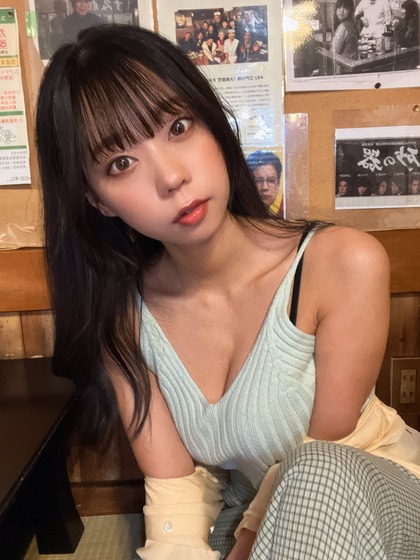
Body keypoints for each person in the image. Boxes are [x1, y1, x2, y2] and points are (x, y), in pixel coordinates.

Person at [36, 24, 420, 560]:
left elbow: (329, 453)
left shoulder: (341, 263)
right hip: (250, 512)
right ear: (96, 200)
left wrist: (246, 541)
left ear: (212, 123)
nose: (171, 177)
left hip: (377, 495)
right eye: (120, 163)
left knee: (318, 472)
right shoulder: (124, 318)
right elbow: (175, 490)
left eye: (177, 126)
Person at [246, 151, 283, 216]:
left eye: (271, 180)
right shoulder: (239, 218)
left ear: (278, 184)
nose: (264, 187)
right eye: (258, 181)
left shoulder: (284, 215)